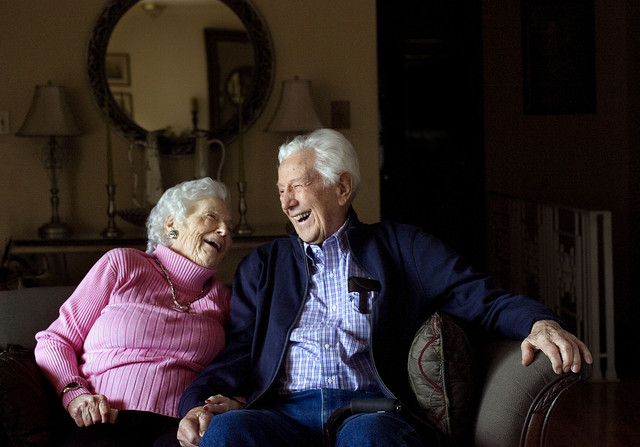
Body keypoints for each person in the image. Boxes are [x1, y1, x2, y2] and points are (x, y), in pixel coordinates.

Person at [176, 129, 593, 447]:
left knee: (371, 439)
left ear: (342, 187)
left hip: (368, 409)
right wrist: (194, 403)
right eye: (281, 190)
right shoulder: (263, 266)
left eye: (298, 186)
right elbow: (238, 350)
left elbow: (477, 296)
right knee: (230, 432)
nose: (286, 203)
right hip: (281, 411)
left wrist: (540, 322)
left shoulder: (403, 246)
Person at [34, 177, 237, 447]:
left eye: (230, 228)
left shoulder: (223, 299)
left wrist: (234, 403)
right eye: (211, 217)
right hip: (107, 421)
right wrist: (75, 394)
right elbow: (55, 341)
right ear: (171, 224)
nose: (224, 230)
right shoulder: (123, 264)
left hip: (181, 431)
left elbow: (246, 363)